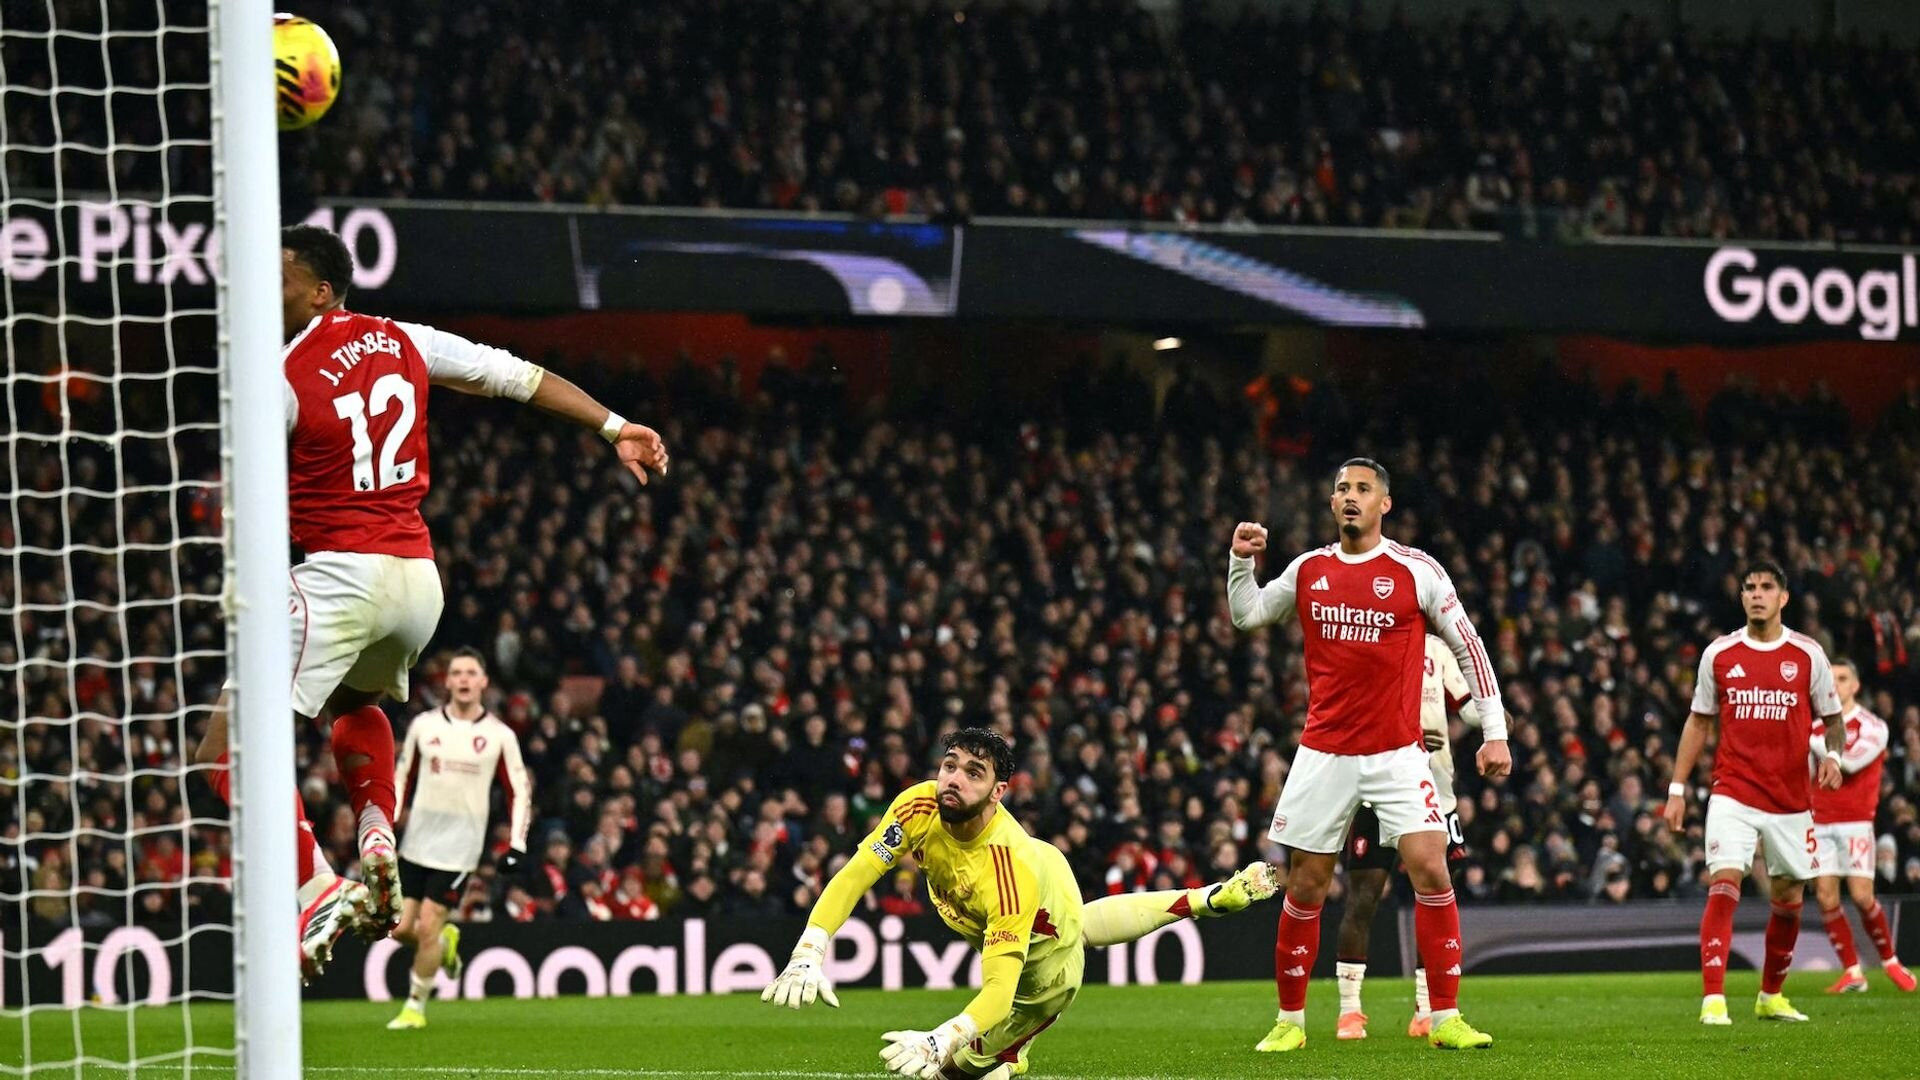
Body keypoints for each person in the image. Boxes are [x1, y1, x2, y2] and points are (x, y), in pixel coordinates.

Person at [190, 224, 666, 978]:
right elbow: (515, 375)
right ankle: (377, 831)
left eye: (278, 279)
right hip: (417, 581)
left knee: (224, 749)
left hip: (339, 577)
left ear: (320, 293)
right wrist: (613, 426)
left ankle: (316, 889)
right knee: (356, 704)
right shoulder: (405, 340)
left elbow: (242, 492)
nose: (261, 290)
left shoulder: (278, 373)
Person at [760, 728, 1277, 1080]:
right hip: (1044, 874)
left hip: (1041, 971)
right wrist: (810, 948)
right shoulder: (918, 804)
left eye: (973, 773)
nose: (953, 779)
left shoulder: (1007, 873)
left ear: (998, 791)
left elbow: (1000, 992)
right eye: (949, 765)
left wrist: (942, 1039)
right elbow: (858, 872)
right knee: (1080, 923)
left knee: (954, 1070)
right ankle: (1206, 898)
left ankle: (1011, 1052)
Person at [1226, 457, 1510, 1052]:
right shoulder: (1309, 569)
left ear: (1385, 503)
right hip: (1324, 753)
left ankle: (1444, 1017)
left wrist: (1495, 730)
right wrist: (1240, 562)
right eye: (1341, 488)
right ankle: (1290, 1022)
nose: (1350, 496)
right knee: (1307, 884)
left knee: (1431, 867)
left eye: (1362, 488)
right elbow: (1249, 614)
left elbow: (1469, 647)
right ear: (1332, 504)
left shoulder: (1416, 571)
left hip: (1397, 754)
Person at [1662, 560, 1845, 1025]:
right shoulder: (1720, 654)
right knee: (1724, 880)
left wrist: (1833, 757)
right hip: (1733, 790)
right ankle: (1713, 999)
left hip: (1790, 798)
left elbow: (1834, 721)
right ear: (1741, 597)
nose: (1757, 594)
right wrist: (1677, 788)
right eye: (1749, 587)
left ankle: (1771, 995)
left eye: (1766, 587)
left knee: (1789, 896)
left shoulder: (1808, 655)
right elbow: (1699, 721)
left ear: (1783, 598)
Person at [1333, 632, 1485, 1041]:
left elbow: (1468, 706)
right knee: (1363, 897)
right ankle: (1349, 1011)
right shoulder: (1369, 641)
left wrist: (1493, 718)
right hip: (1376, 789)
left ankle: (1425, 1009)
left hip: (1435, 790)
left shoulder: (1439, 650)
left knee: (1434, 894)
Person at [386, 648, 532, 1029]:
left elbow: (519, 790)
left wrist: (517, 844)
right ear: (447, 681)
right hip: (416, 843)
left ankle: (415, 1008)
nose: (464, 679)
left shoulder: (499, 735)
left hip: (459, 851)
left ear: (483, 682)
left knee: (428, 925)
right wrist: (390, 819)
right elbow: (402, 776)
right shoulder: (424, 726)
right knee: (400, 928)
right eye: (457, 673)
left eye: (471, 672)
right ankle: (444, 945)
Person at [1808, 658, 1915, 993]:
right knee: (1826, 897)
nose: (1835, 685)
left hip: (1855, 823)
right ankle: (1853, 972)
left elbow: (1850, 762)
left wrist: (1807, 739)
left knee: (1861, 896)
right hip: (1820, 822)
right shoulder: (1815, 727)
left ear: (1855, 686)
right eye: (1830, 679)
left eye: (1842, 678)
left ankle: (1891, 962)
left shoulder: (1873, 726)